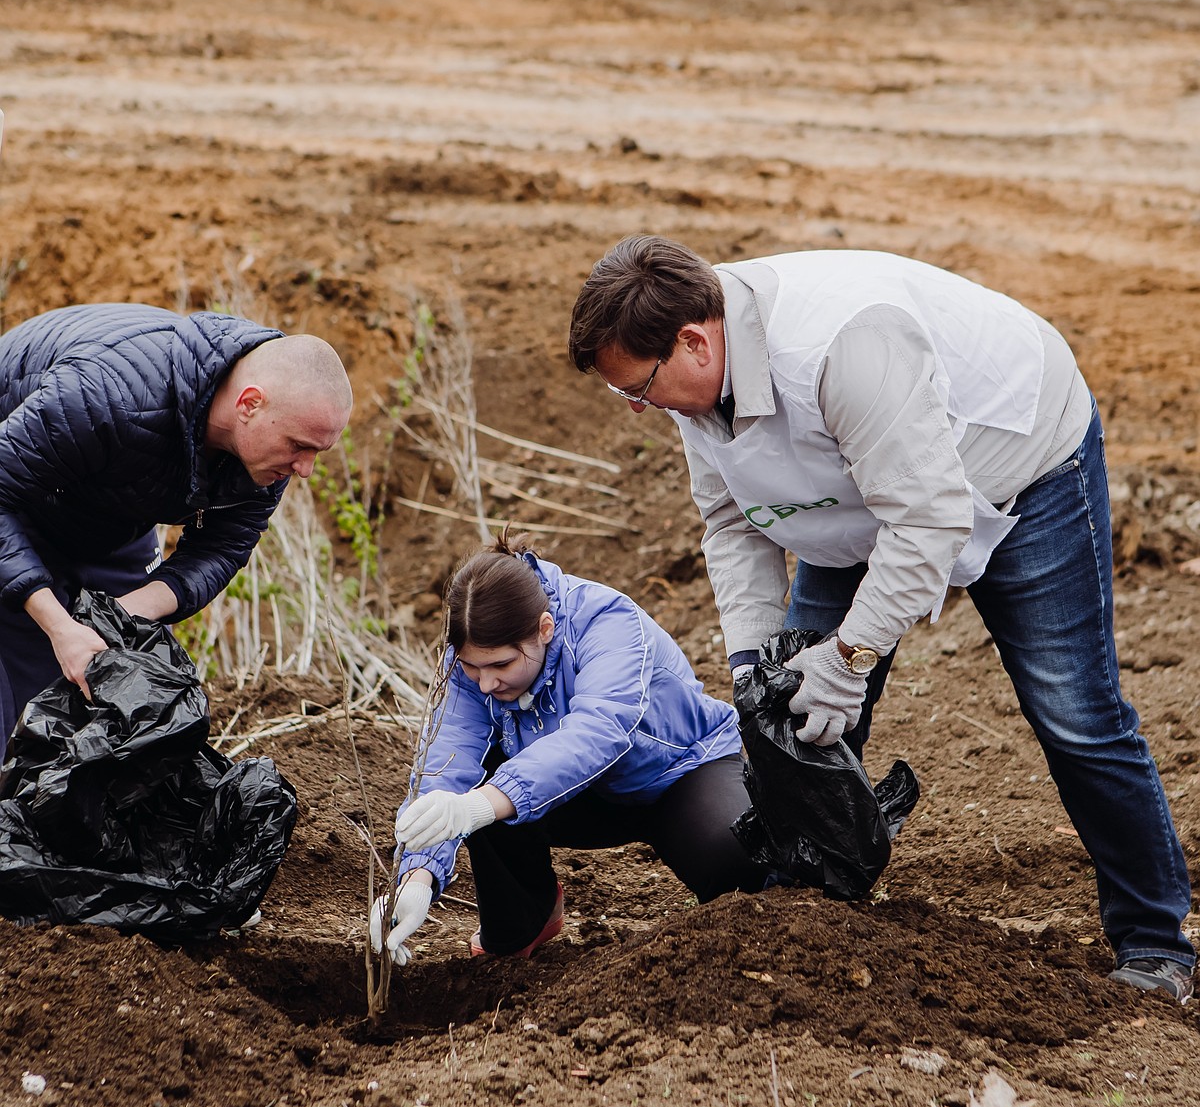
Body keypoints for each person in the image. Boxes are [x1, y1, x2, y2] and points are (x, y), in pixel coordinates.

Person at [567, 234, 1195, 1003]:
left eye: (640, 387)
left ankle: (1156, 942)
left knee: (1074, 714)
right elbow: (733, 524)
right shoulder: (694, 372)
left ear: (694, 340)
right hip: (857, 491)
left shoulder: (842, 348)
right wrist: (753, 665)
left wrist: (849, 658)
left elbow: (928, 521)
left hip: (1017, 465)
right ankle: (806, 915)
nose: (636, 408)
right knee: (792, 718)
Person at [369, 531, 767, 965]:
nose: (485, 683)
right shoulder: (470, 661)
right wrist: (416, 876)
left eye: (502, 664)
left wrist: (480, 806)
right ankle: (524, 921)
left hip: (677, 776)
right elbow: (445, 762)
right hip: (570, 796)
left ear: (544, 629)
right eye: (471, 667)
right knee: (465, 786)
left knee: (739, 858)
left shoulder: (607, 620)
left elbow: (600, 731)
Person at [0, 302, 353, 749]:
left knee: (128, 684)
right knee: (35, 696)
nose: (306, 469)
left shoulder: (269, 453)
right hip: (18, 501)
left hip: (113, 511)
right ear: (250, 404)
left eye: (317, 452)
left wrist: (120, 618)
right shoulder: (109, 394)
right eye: (301, 447)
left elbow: (223, 546)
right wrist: (60, 626)